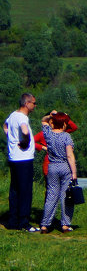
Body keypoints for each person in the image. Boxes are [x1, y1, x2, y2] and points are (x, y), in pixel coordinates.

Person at [39, 111, 78, 233]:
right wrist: (74, 173)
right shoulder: (66, 136)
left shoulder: (48, 134)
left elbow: (43, 121)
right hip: (65, 166)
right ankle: (65, 224)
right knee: (65, 196)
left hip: (52, 167)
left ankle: (45, 224)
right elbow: (70, 156)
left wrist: (51, 115)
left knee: (51, 195)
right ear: (63, 124)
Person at [5, 93, 39, 231]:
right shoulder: (22, 117)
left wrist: (10, 138)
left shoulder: (13, 115)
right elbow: (25, 131)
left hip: (13, 157)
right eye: (34, 103)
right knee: (25, 191)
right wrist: (25, 142)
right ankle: (24, 222)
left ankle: (13, 221)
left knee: (15, 190)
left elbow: (5, 125)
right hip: (23, 158)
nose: (35, 106)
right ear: (27, 103)